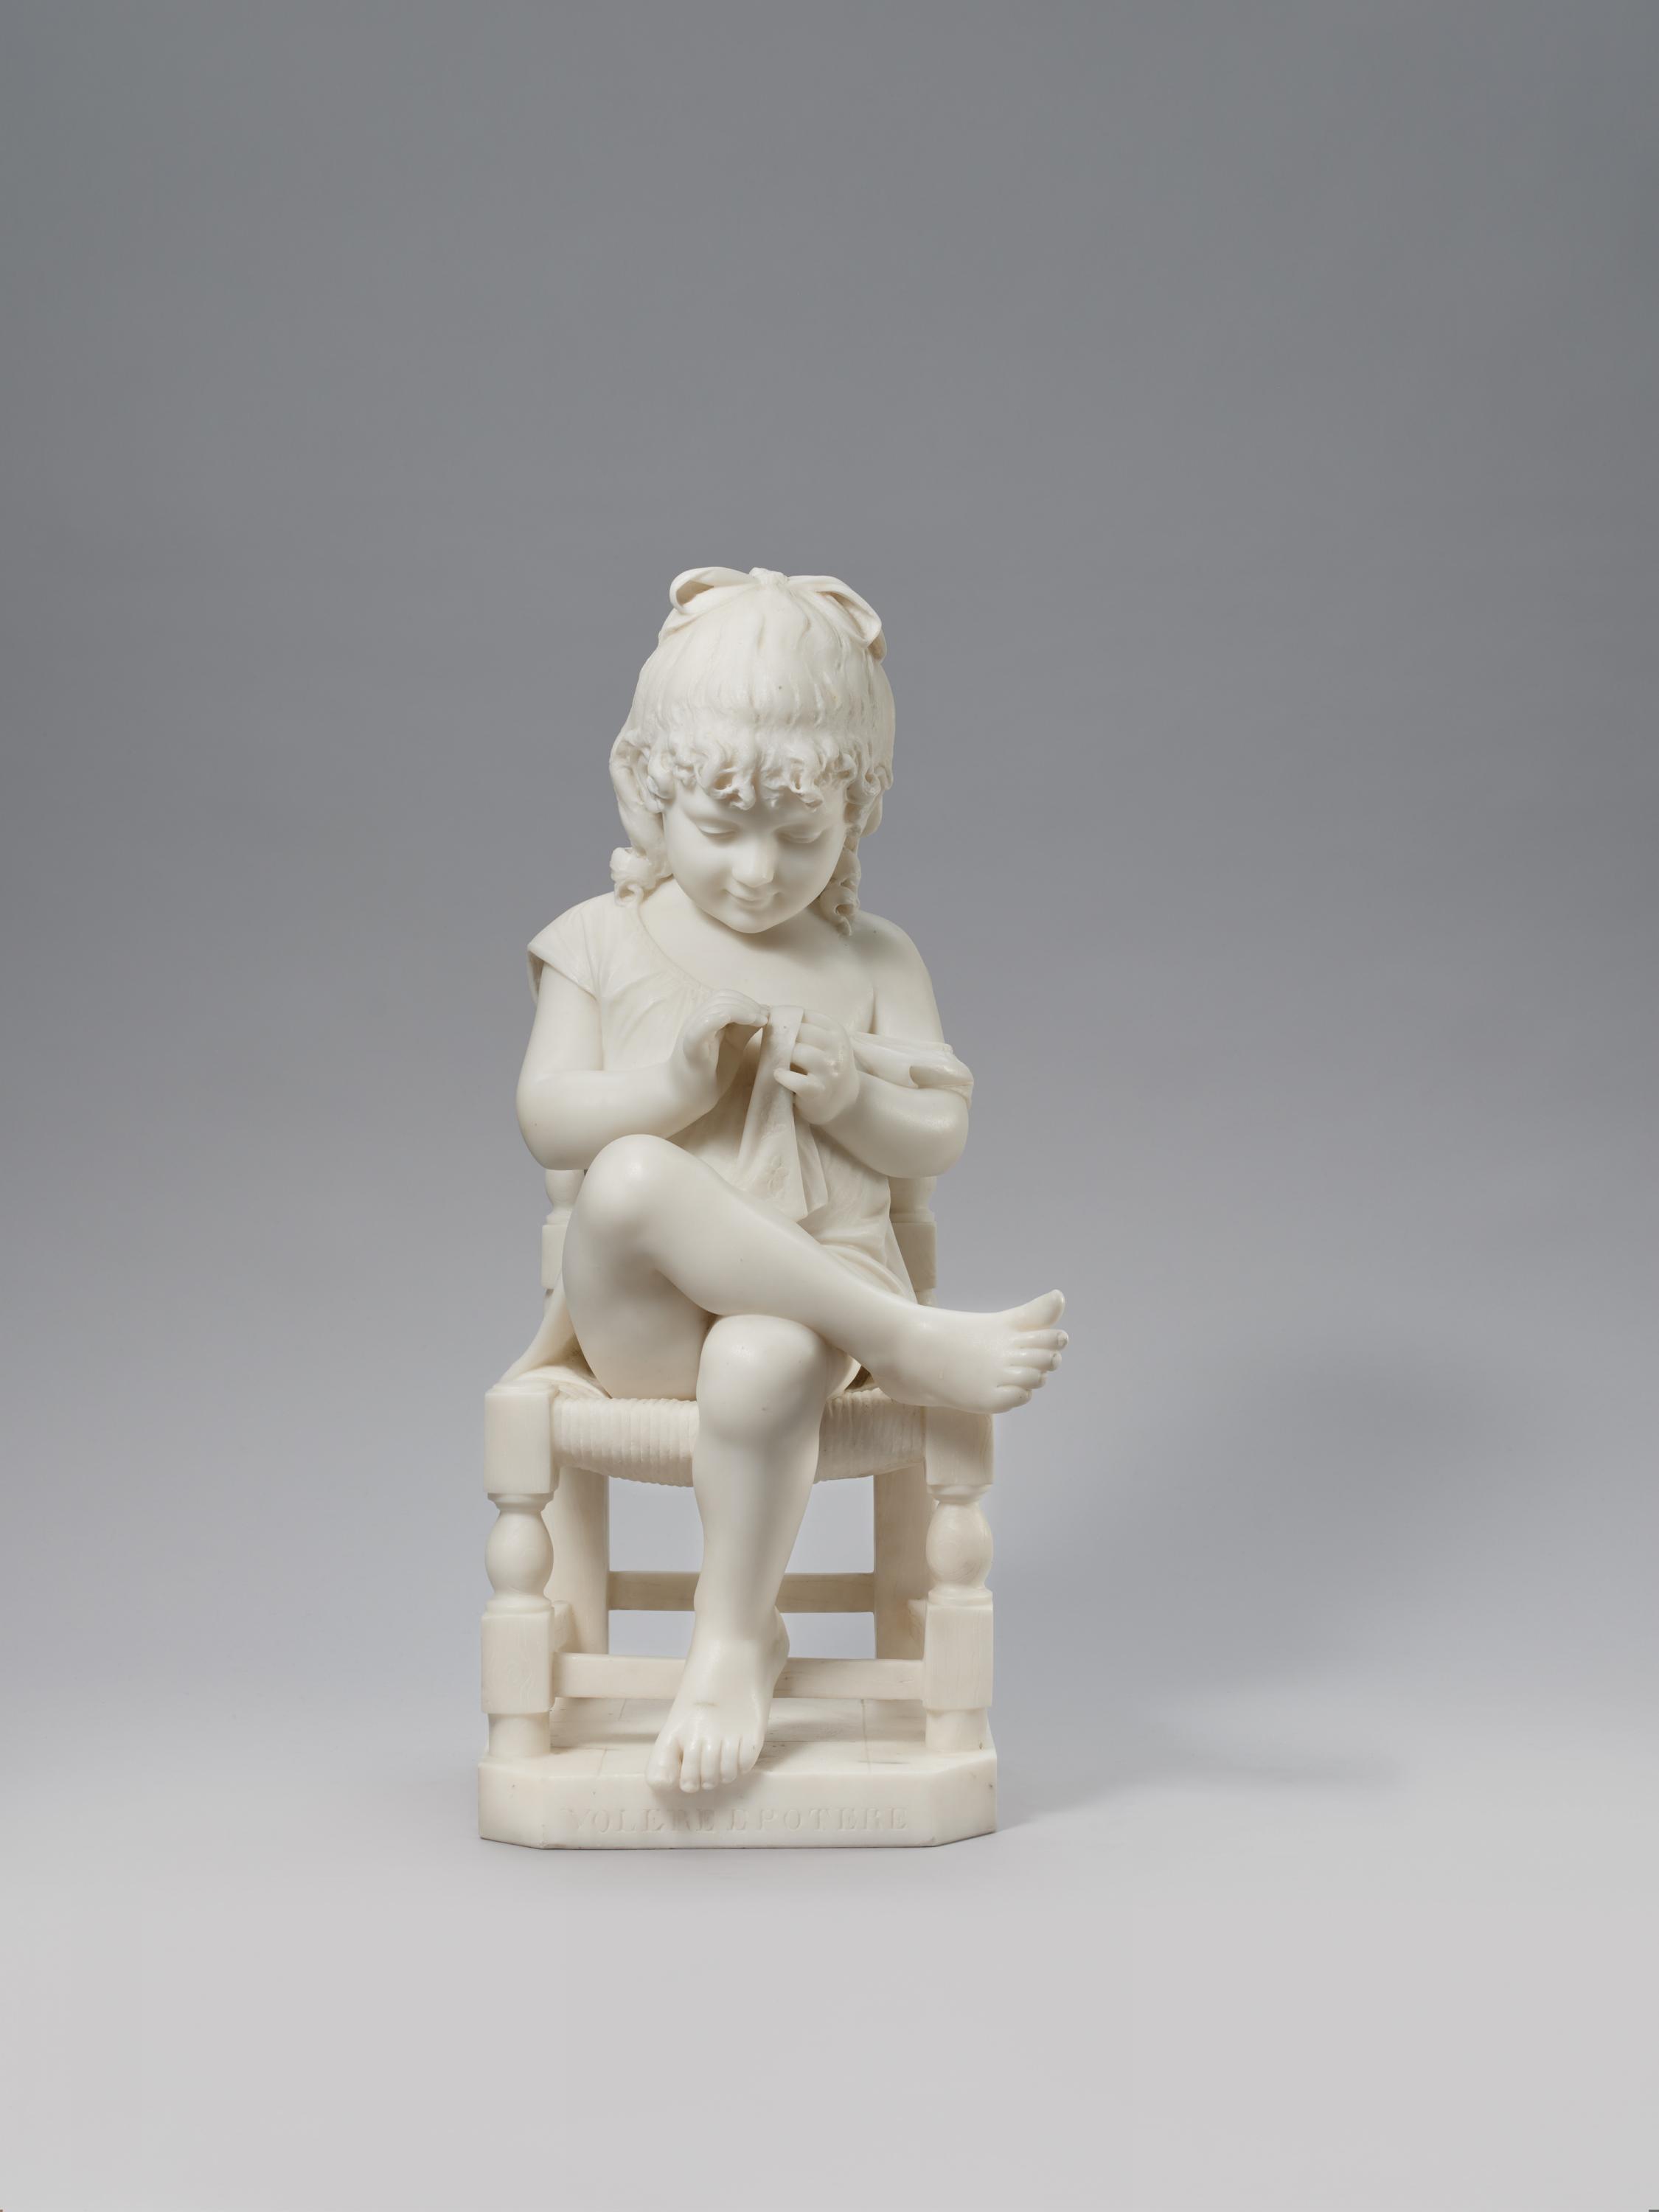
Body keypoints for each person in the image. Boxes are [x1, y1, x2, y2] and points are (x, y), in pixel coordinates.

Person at [512, 566, 1065, 1793]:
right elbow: (549, 1119)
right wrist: (669, 1085)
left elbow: (936, 1135)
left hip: (807, 1326)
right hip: (643, 1323)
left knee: (759, 1357)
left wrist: (854, 1100)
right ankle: (909, 1339)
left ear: (854, 816)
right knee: (632, 1173)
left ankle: (731, 1642)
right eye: (720, 830)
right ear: (647, 793)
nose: (758, 871)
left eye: (800, 835)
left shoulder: (875, 958)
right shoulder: (599, 938)